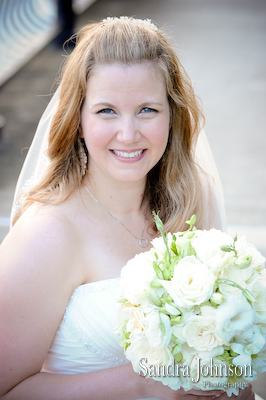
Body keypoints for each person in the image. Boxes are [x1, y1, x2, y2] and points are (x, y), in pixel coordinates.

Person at [0, 16, 254, 400]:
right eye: (106, 111)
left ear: (172, 115)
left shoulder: (191, 197)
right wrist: (142, 385)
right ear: (78, 121)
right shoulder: (48, 232)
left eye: (147, 110)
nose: (129, 134)